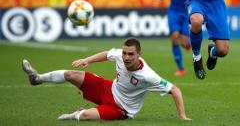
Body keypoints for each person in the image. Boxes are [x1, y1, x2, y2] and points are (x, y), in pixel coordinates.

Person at [22, 38, 191, 121]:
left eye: (131, 54)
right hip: (108, 88)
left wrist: (182, 117)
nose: (126, 57)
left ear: (139, 55)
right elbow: (107, 54)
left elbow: (175, 89)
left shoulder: (148, 75)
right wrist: (87, 59)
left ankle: (76, 114)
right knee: (70, 75)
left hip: (121, 109)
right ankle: (38, 78)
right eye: (125, 53)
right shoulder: (120, 55)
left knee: (85, 116)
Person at [165, 0, 191, 76]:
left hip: (186, 12)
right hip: (174, 11)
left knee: (185, 41)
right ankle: (181, 69)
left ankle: (187, 44)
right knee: (174, 37)